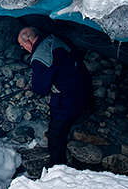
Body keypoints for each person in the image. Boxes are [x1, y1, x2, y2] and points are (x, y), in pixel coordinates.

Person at [18, 27, 93, 167]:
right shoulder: (54, 39)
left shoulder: (40, 57)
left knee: (56, 137)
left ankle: (58, 170)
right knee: (58, 127)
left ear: (28, 42)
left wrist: (39, 82)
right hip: (85, 86)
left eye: (22, 47)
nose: (24, 49)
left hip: (70, 98)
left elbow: (40, 89)